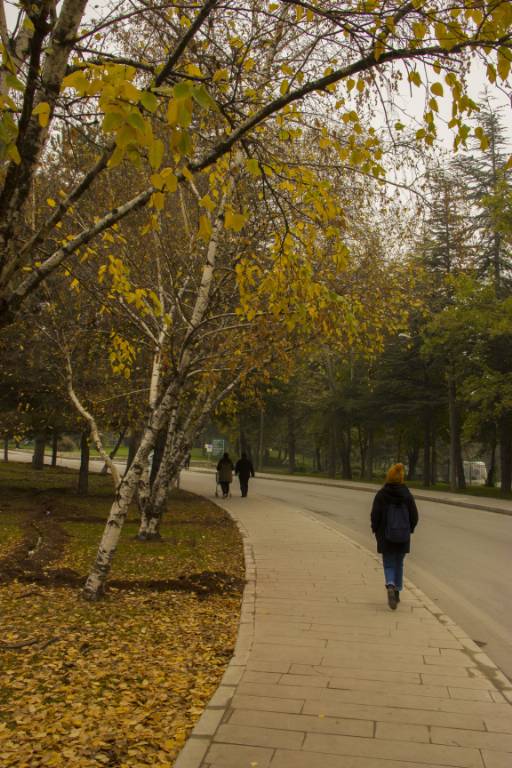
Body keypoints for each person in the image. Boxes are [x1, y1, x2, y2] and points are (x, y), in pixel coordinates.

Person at [371, 462, 418, 610]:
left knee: (389, 562)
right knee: (399, 562)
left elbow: (375, 515)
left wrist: (375, 530)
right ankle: (397, 591)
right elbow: (415, 516)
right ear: (401, 477)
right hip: (403, 535)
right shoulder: (407, 495)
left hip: (386, 535)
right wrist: (409, 529)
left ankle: (390, 584)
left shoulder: (382, 494)